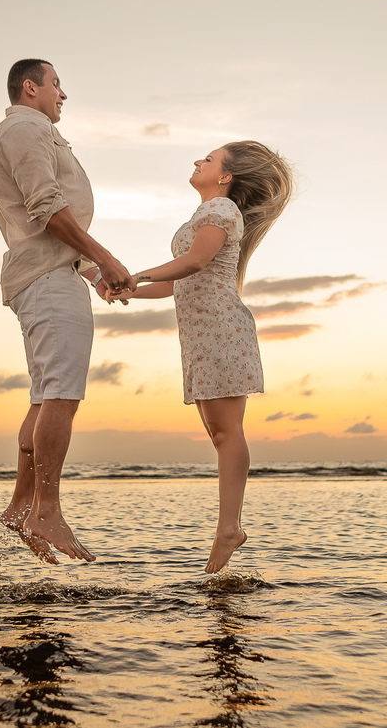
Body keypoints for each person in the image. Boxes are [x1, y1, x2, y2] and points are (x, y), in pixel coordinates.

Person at [110, 141, 293, 573]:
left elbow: (194, 262)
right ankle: (227, 530)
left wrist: (133, 275)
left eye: (208, 159)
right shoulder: (206, 214)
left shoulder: (222, 211)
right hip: (202, 336)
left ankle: (229, 529)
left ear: (226, 176)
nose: (197, 161)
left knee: (227, 434)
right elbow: (178, 282)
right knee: (220, 434)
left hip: (221, 331)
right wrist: (127, 288)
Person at [0, 58, 134, 564]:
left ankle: (20, 505)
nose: (63, 94)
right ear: (31, 87)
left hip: (50, 275)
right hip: (46, 282)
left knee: (44, 395)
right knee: (62, 397)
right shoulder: (26, 128)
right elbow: (45, 207)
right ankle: (46, 507)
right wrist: (104, 258)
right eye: (56, 84)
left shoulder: (31, 130)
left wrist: (90, 275)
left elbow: (46, 224)